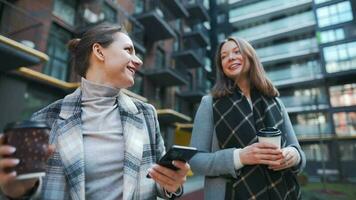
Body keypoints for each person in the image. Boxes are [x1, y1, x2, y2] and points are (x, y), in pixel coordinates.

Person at [0, 23, 190, 200]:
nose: (138, 61)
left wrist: (170, 184)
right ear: (99, 51)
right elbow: (35, 189)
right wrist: (19, 189)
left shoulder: (146, 114)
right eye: (128, 50)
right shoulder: (46, 119)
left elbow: (158, 179)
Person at [189, 37, 306, 200]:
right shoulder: (209, 103)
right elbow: (195, 160)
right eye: (224, 56)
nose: (230, 58)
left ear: (250, 56)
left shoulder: (275, 102)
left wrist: (292, 156)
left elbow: (297, 151)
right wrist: (239, 157)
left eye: (237, 52)